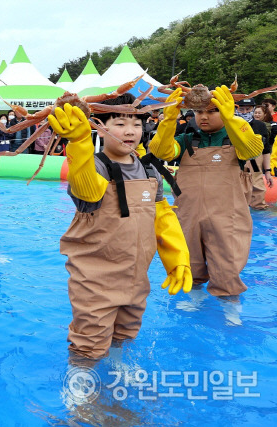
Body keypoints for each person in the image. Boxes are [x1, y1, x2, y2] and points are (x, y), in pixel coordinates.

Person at [48, 94, 191, 360]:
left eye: (137, 124)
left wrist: (178, 257)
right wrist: (79, 144)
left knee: (126, 333)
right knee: (88, 343)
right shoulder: (94, 167)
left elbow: (162, 216)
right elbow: (88, 191)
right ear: (99, 127)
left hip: (136, 276)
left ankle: (116, 373)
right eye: (120, 123)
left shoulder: (150, 171)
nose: (130, 131)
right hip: (94, 279)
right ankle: (82, 393)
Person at [148, 86, 263, 297]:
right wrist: (168, 121)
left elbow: (252, 149)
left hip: (227, 216)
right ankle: (194, 298)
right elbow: (160, 151)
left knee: (227, 268)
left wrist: (232, 120)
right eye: (200, 112)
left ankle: (230, 304)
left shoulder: (235, 138)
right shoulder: (187, 140)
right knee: (190, 264)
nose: (204, 117)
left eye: (213, 111)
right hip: (188, 214)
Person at [237, 98, 273, 210]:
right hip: (235, 160)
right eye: (241, 109)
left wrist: (268, 171)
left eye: (248, 109)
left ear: (253, 109)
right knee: (236, 184)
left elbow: (266, 150)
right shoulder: (229, 124)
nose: (244, 112)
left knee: (257, 184)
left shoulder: (260, 125)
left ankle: (259, 209)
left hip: (253, 160)